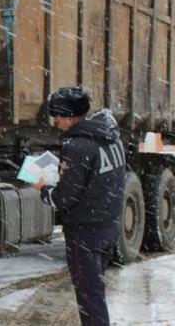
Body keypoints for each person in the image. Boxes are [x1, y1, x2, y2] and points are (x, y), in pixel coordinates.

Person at [32, 86, 126, 326]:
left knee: (90, 298)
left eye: (58, 116)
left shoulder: (77, 147)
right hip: (109, 225)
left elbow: (64, 199)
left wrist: (42, 187)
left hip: (85, 232)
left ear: (70, 116)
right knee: (95, 292)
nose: (56, 122)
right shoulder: (112, 139)